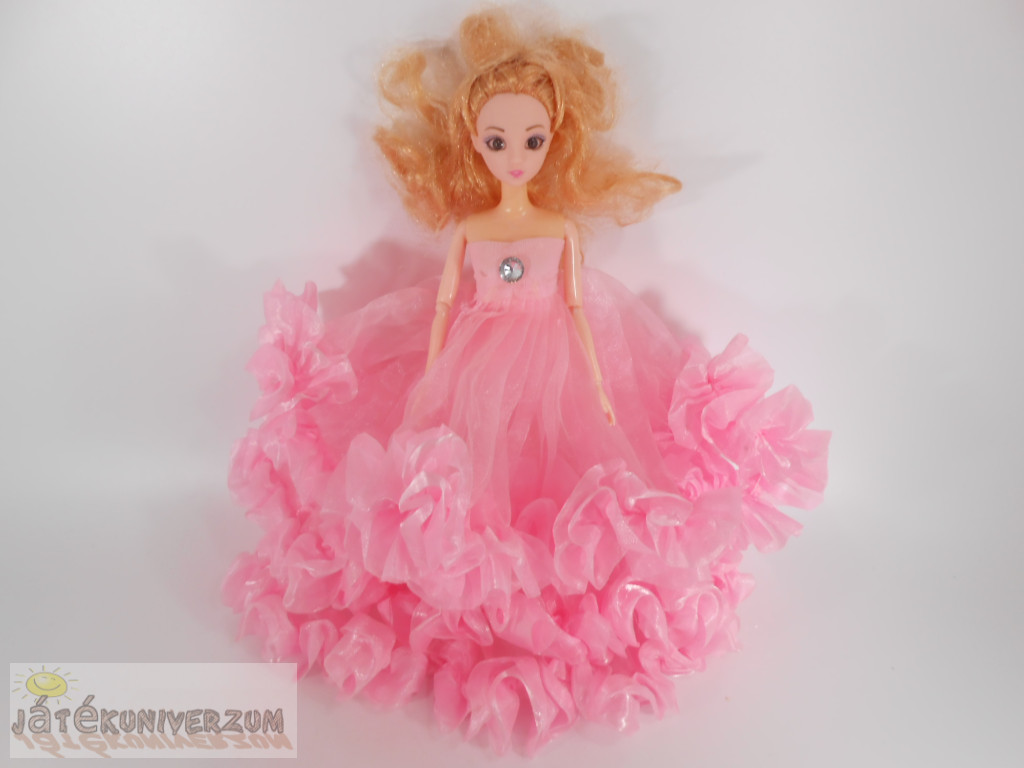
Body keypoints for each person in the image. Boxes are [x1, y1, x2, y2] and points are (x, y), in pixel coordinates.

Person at [224, 8, 829, 754]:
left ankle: (539, 587)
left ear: (555, 141)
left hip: (550, 360)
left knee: (548, 466)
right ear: (472, 144)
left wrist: (600, 385)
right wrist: (430, 373)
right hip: (476, 359)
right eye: (498, 141)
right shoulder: (472, 230)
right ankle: (467, 588)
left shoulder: (559, 230)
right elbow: (444, 306)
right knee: (471, 472)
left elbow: (577, 308)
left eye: (532, 141)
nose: (516, 156)